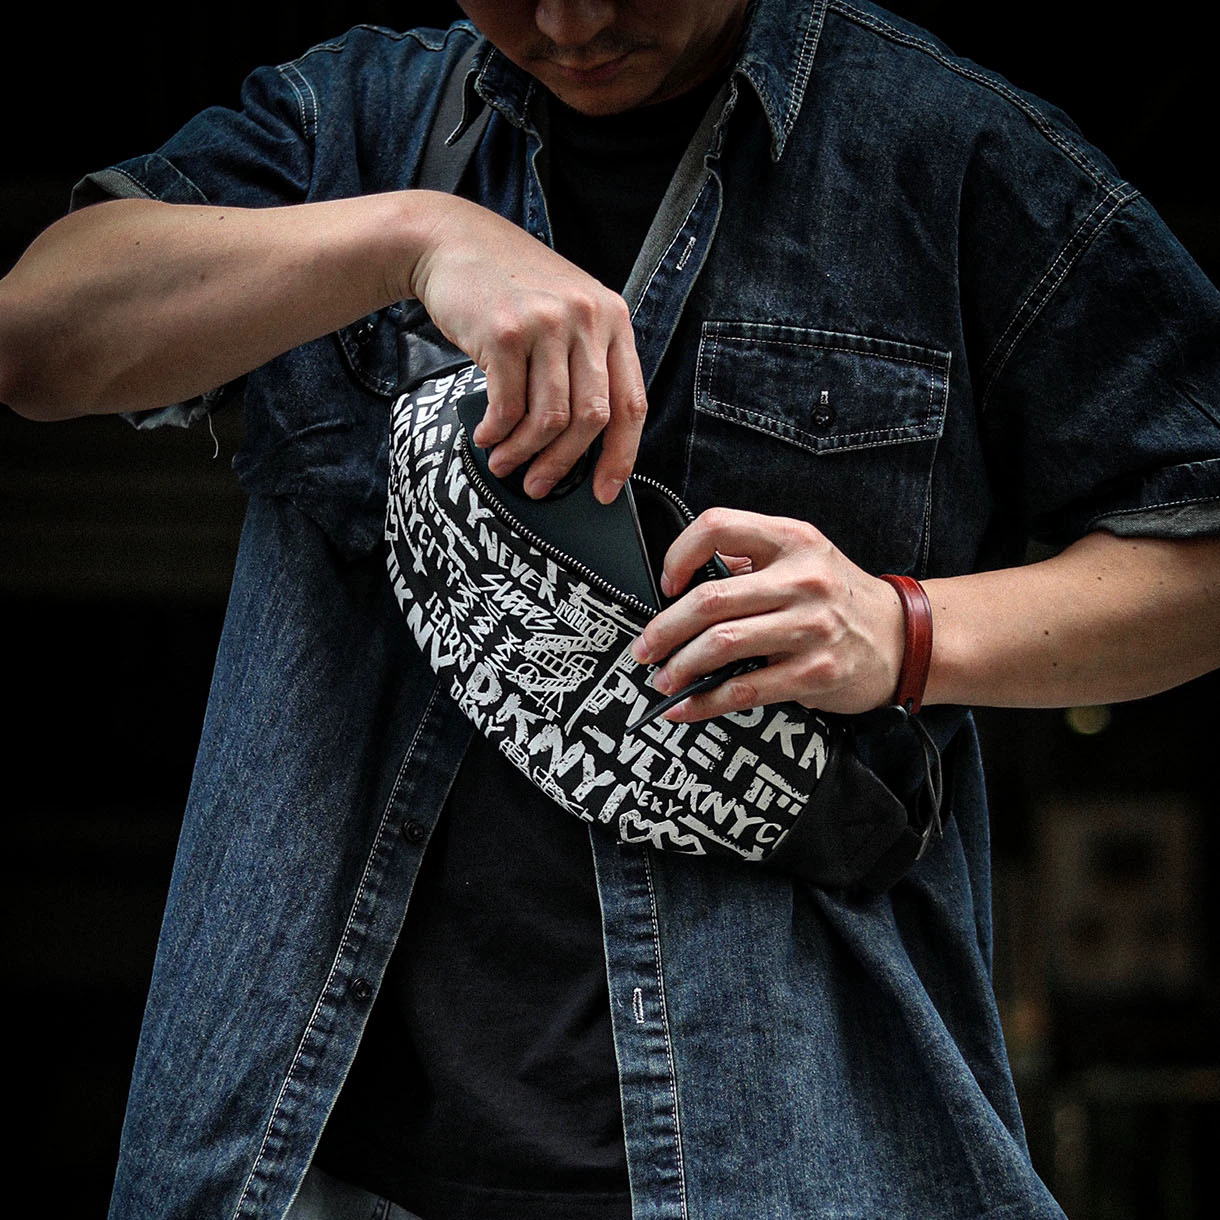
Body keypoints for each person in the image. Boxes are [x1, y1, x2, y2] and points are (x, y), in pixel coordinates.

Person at [3, 1, 1219, 1217]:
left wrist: (905, 632)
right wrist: (414, 240)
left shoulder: (946, 156)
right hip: (306, 1170)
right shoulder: (358, 124)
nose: (571, 21)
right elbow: (35, 339)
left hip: (794, 1165)